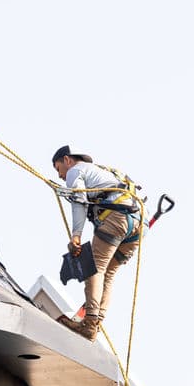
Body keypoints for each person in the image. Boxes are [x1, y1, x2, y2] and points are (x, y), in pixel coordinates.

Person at [52, 145, 141, 341]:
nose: (60, 176)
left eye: (58, 169)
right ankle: (95, 321)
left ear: (67, 160)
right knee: (108, 273)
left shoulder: (75, 171)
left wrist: (76, 235)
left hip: (117, 217)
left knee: (95, 268)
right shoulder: (101, 172)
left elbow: (79, 200)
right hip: (137, 223)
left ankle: (90, 323)